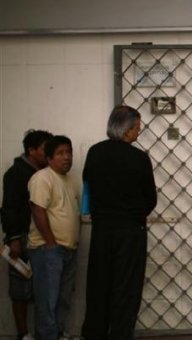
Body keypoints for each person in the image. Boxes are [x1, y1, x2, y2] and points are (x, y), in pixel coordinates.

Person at [81, 105, 157, 340]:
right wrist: (134, 213)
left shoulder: (95, 152)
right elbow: (150, 199)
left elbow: (88, 186)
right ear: (126, 130)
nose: (139, 131)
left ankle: (95, 333)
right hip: (131, 231)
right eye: (136, 127)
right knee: (126, 287)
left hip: (103, 230)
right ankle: (120, 334)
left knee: (99, 283)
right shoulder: (139, 158)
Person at [1, 129, 53, 340]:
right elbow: (9, 208)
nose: (48, 153)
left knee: (44, 289)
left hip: (41, 237)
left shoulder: (47, 173)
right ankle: (23, 334)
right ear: (31, 150)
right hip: (22, 238)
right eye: (44, 149)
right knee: (20, 290)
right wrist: (13, 238)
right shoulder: (16, 173)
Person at [27, 135, 80, 340]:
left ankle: (56, 334)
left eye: (69, 152)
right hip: (48, 250)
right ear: (49, 158)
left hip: (68, 249)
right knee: (47, 300)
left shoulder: (69, 180)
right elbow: (38, 210)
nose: (66, 157)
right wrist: (50, 243)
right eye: (60, 153)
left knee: (63, 299)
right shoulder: (42, 178)